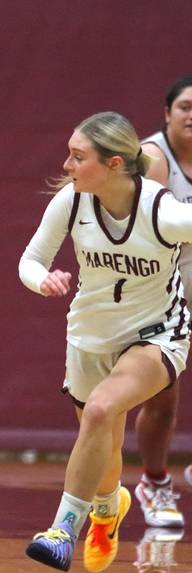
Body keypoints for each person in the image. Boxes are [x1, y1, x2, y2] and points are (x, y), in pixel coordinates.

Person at [19, 111, 192, 572]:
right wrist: (42, 280)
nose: (67, 165)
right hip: (90, 335)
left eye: (78, 157)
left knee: (100, 409)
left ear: (115, 164)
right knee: (103, 447)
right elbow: (30, 260)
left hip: (155, 334)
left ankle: (61, 533)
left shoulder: (162, 212)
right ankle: (107, 507)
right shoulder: (72, 200)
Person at [136, 76, 192, 532]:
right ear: (168, 112)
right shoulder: (153, 159)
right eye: (186, 107)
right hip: (161, 291)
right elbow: (143, 235)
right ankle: (154, 482)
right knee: (163, 396)